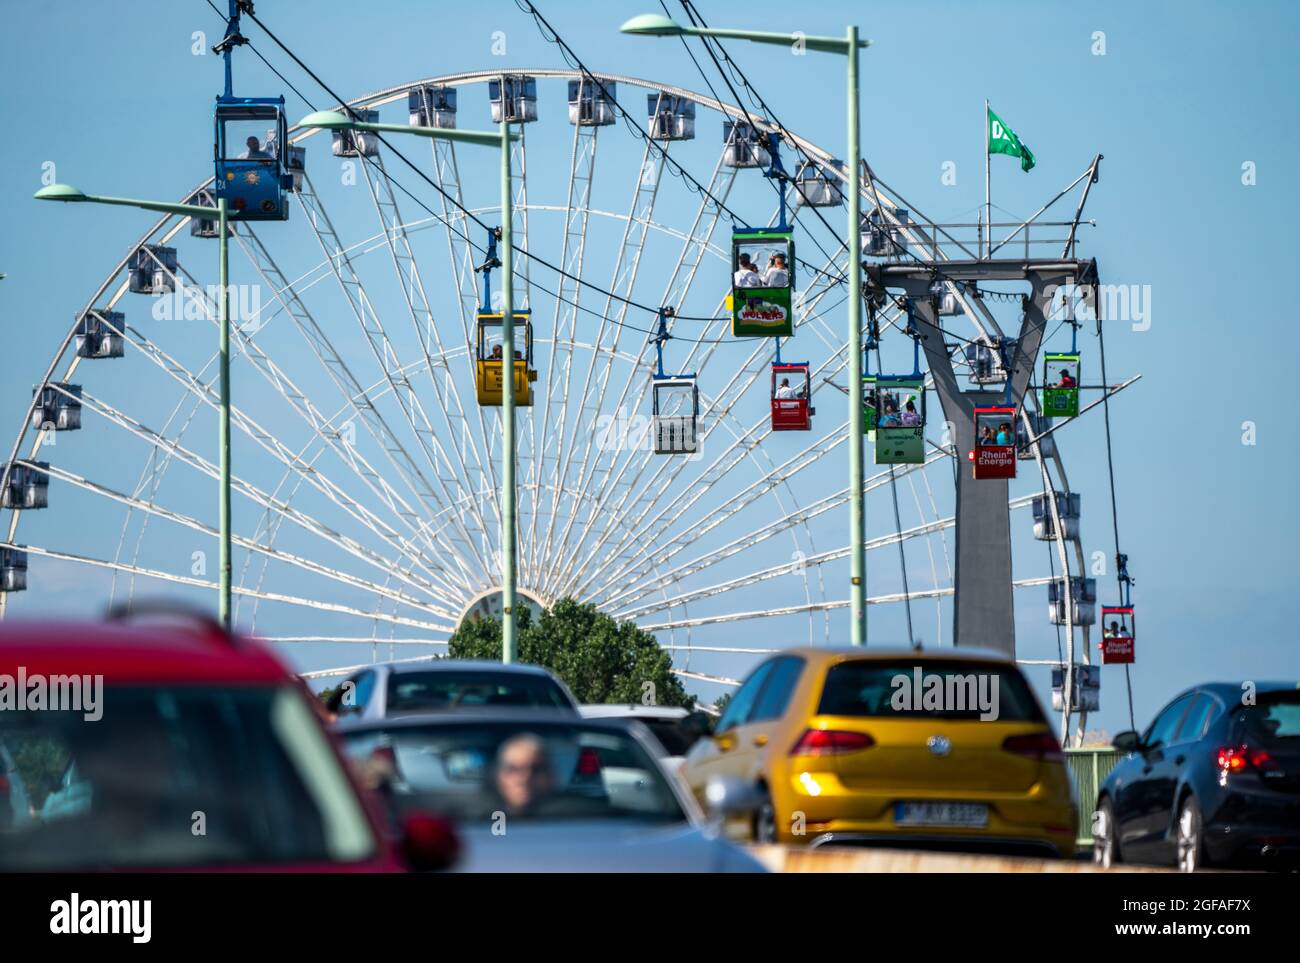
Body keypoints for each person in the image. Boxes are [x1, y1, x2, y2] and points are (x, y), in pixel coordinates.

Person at [493, 733, 556, 816]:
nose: (524, 778)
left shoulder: (573, 819)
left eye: (535, 769)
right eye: (514, 769)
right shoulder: (479, 821)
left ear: (550, 777)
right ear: (499, 777)